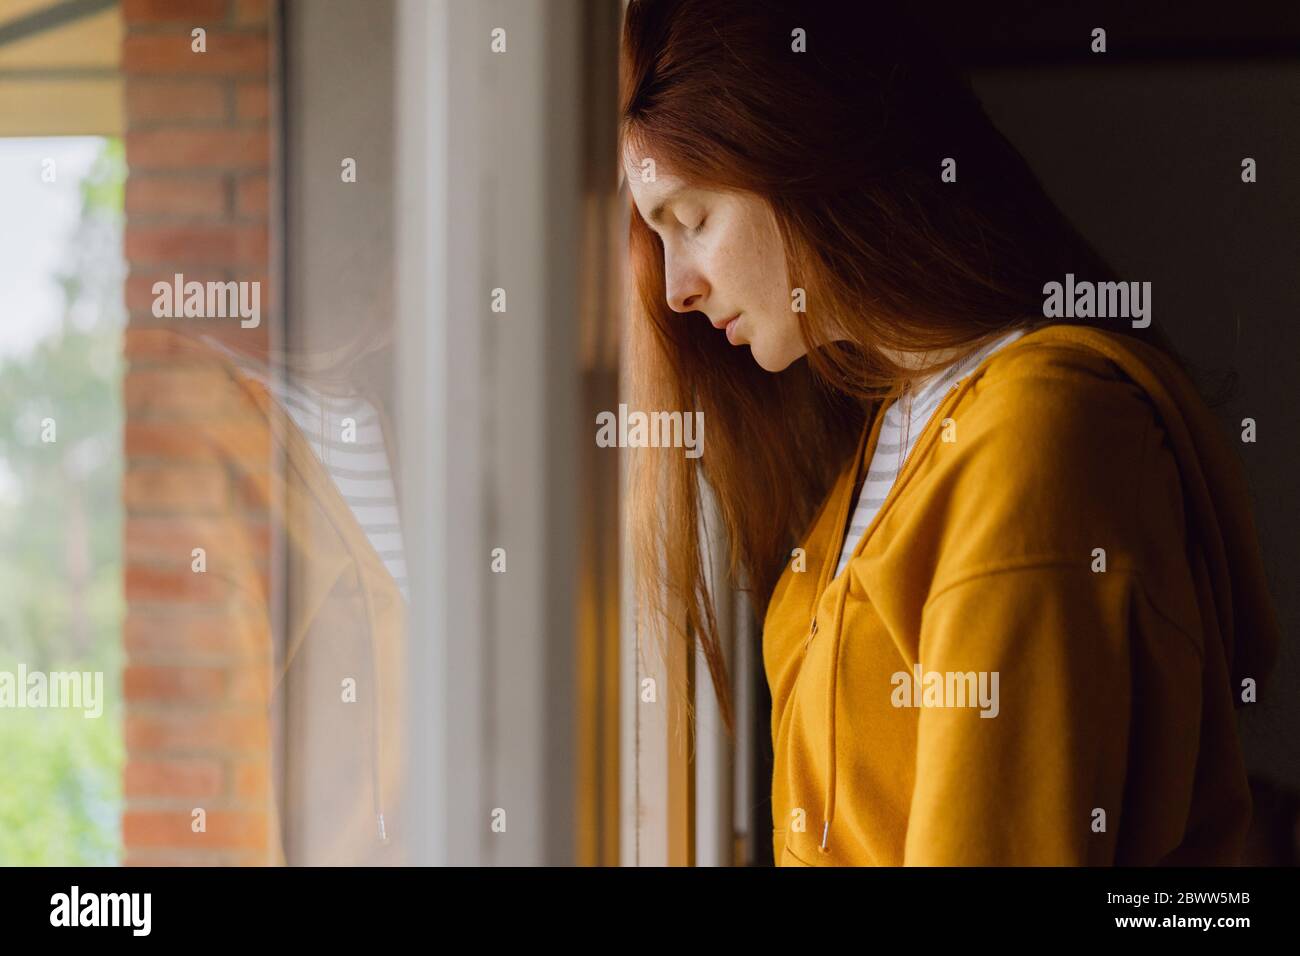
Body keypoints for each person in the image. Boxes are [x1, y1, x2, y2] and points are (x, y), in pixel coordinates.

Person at [619, 0, 1280, 865]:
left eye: (693, 220)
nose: (677, 289)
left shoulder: (1035, 433)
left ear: (807, 154)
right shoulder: (897, 421)